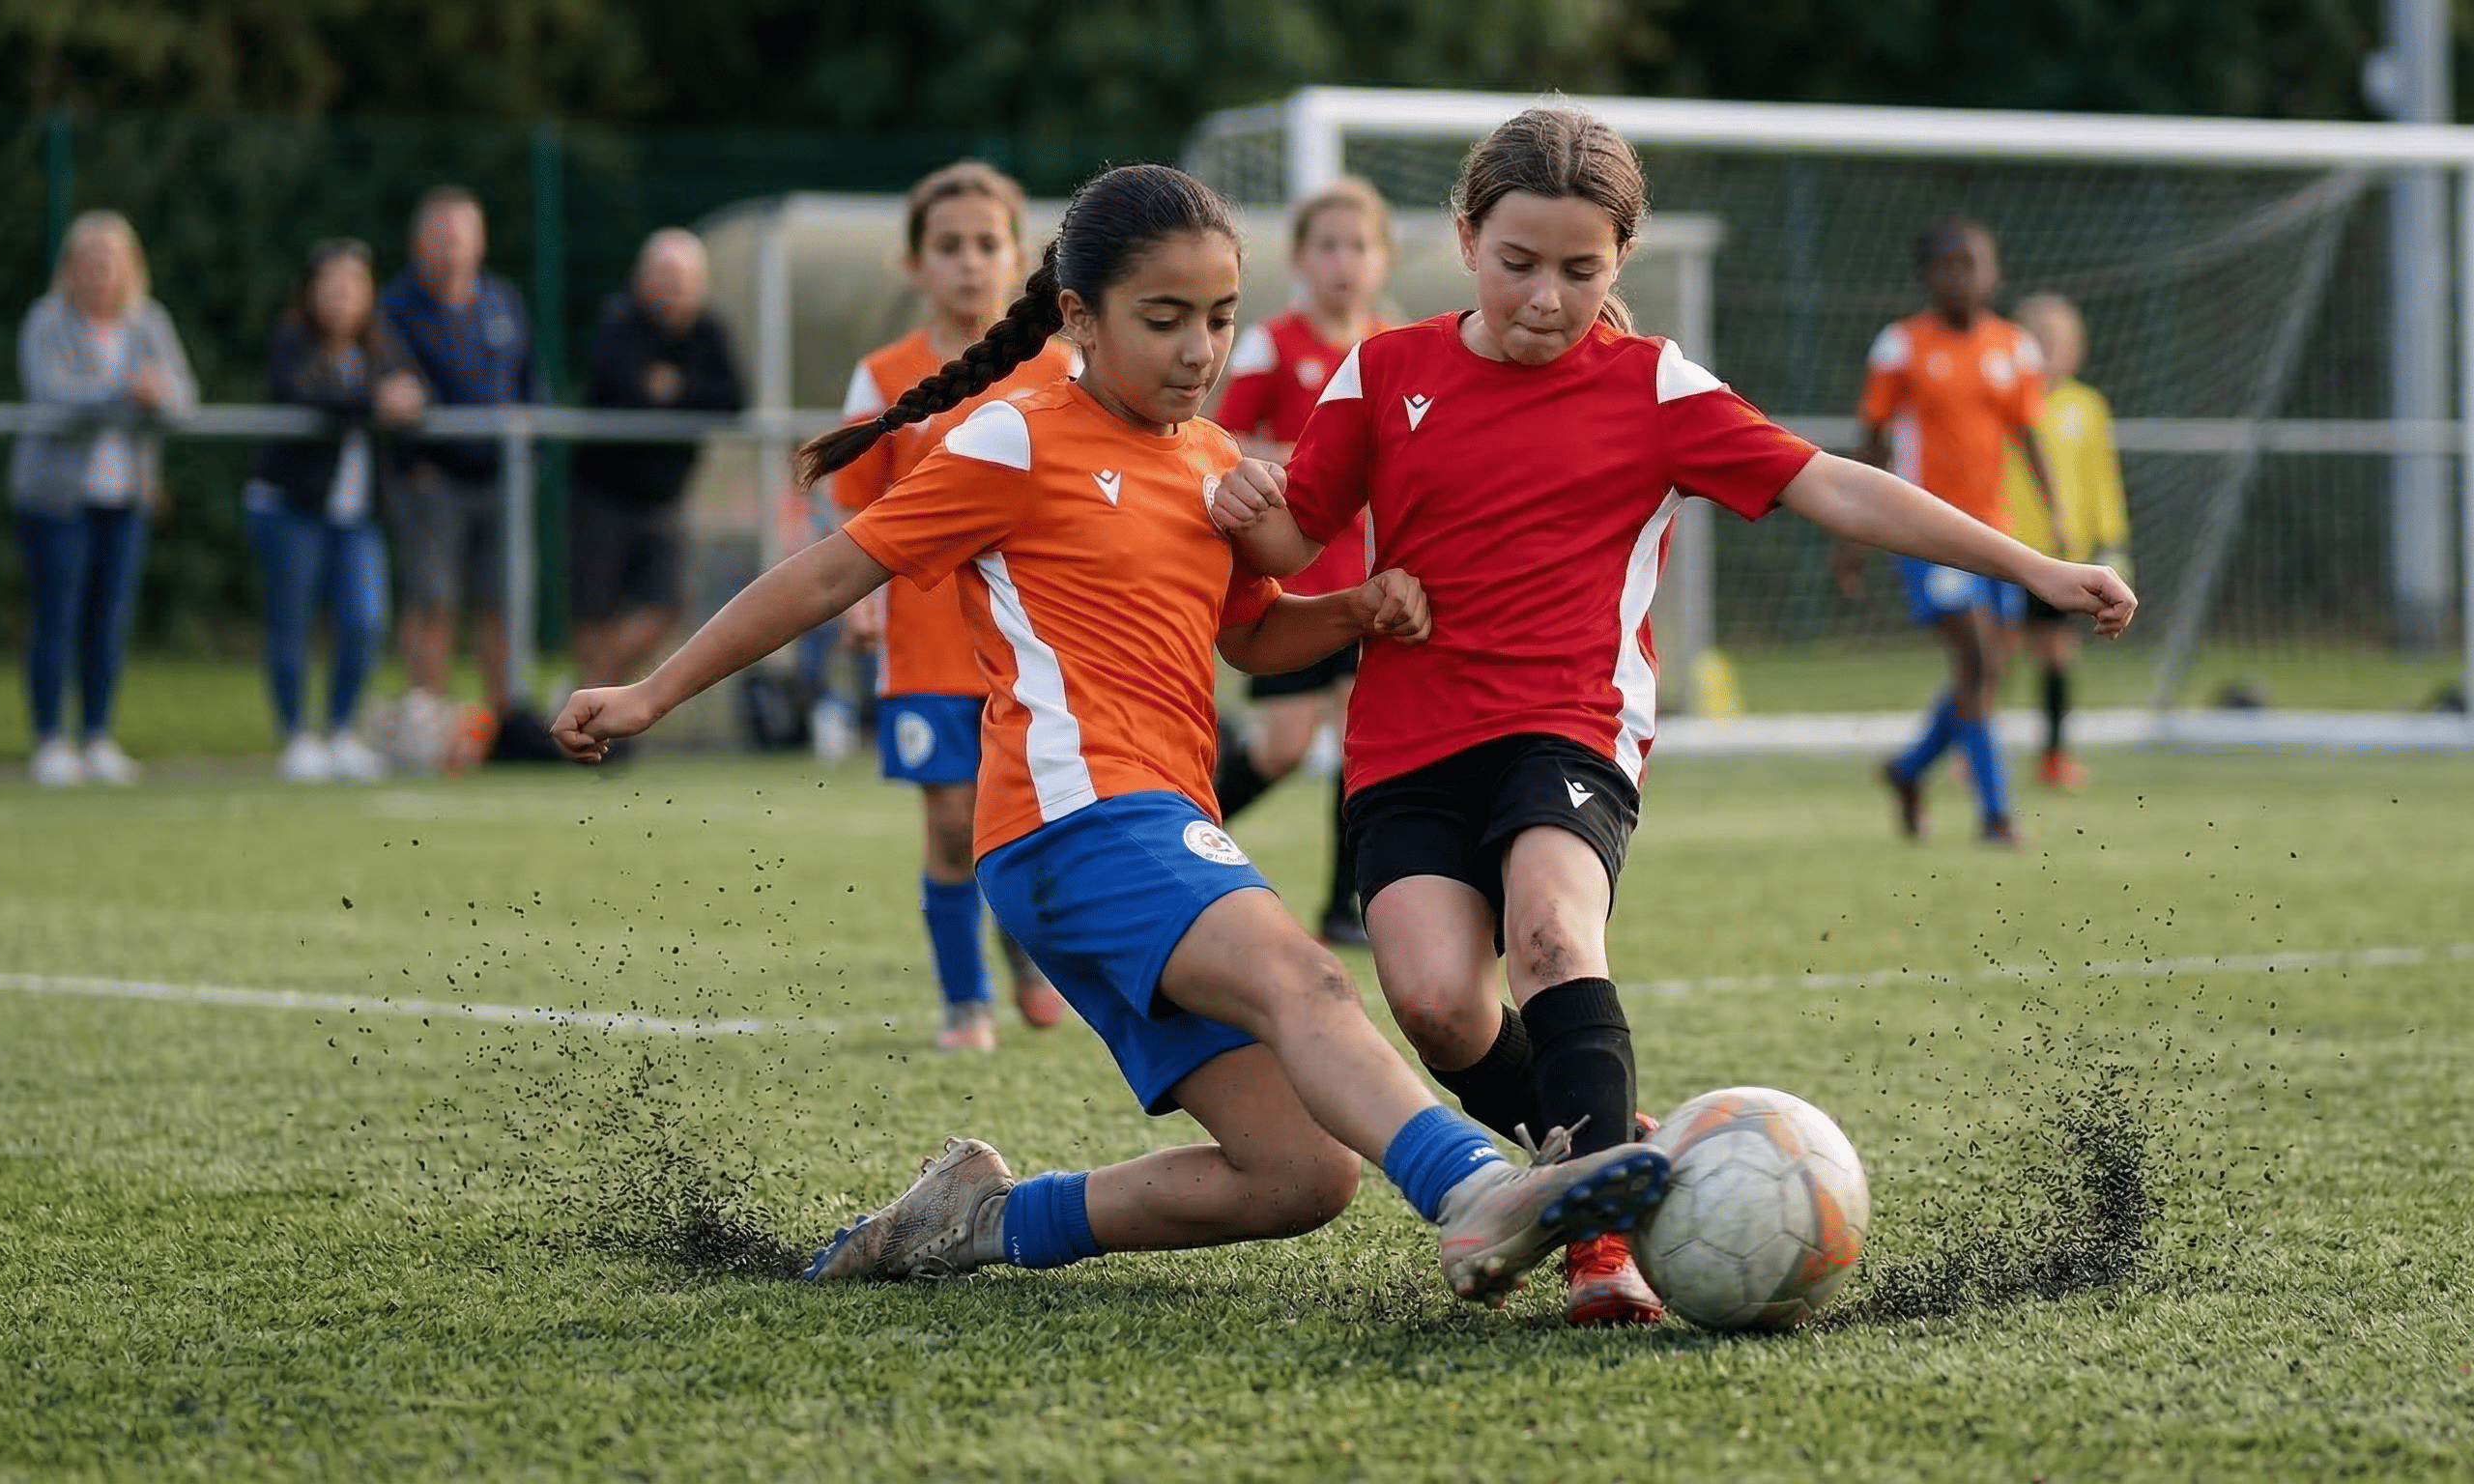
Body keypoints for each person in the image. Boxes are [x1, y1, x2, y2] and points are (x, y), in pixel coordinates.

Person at [551, 162, 1674, 1305]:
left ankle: (977, 1221)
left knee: (1297, 1176)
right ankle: (1481, 1189)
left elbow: (1250, 639)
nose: (1199, 350)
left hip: (1141, 825)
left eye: (1222, 319)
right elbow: (833, 569)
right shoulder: (1012, 438)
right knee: (1308, 983)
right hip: (1074, 817)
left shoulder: (1207, 462)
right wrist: (652, 692)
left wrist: (1351, 610)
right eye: (1165, 319)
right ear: (1080, 319)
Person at [1208, 106, 2135, 1326]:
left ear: (1621, 262)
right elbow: (1288, 536)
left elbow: (1837, 485)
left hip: (1568, 724)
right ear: (1465, 238)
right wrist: (1233, 493)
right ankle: (1618, 1137)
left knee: (1548, 933)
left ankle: (1602, 1249)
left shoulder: (1651, 383)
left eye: (1580, 272)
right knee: (1433, 1001)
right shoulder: (1387, 370)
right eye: (1518, 264)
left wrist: (2032, 567)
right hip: (1408, 741)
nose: (1546, 298)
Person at [830, 162, 1072, 1051]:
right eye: (949, 247)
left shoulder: (1061, 369)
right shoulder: (885, 377)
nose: (969, 263)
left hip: (1033, 645)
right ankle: (966, 1001)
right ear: (914, 263)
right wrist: (861, 600)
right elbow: (855, 502)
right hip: (926, 644)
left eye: (986, 244)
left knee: (1026, 822)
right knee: (946, 822)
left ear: (1016, 258)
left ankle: (1027, 952)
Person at [1833, 216, 2068, 846]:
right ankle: (1997, 816)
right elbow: (1871, 443)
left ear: (1995, 273)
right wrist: (1850, 537)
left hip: (1992, 534)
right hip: (1921, 531)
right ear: (1927, 276)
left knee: (1986, 671)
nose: (1964, 276)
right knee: (1978, 656)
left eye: (1976, 263)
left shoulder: (2013, 348)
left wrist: (2058, 517)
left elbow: (2029, 438)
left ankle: (1908, 770)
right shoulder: (1900, 346)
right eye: (1951, 264)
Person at [1209, 176, 1395, 948]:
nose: (1343, 262)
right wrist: (1304, 464)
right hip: (1288, 581)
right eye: (1328, 246)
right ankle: (1186, 837)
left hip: (1365, 579)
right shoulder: (1272, 343)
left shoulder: (1394, 348)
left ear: (1382, 259)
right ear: (1299, 258)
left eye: (1359, 246)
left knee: (1362, 746)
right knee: (1284, 745)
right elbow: (1217, 440)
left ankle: (1342, 908)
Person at [11, 209, 199, 786]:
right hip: (56, 498)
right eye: (88, 264)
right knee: (57, 617)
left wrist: (158, 394)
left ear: (131, 269)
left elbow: (183, 397)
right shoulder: (47, 321)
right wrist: (126, 389)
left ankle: (96, 736)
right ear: (70, 269)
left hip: (127, 497)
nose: (100, 275)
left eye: (111, 264)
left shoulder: (149, 322)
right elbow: (51, 395)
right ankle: (49, 739)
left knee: (109, 619)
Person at [245, 238, 431, 783]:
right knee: (292, 622)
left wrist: (412, 400)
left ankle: (344, 729)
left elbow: (417, 391)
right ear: (310, 291)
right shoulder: (292, 341)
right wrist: (375, 402)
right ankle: (298, 735)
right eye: (332, 285)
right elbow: (304, 397)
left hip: (356, 515)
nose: (343, 295)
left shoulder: (382, 342)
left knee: (366, 619)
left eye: (355, 285)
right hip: (290, 507)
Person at [381, 185, 538, 714]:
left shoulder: (504, 302)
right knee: (433, 600)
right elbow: (387, 390)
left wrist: (528, 459)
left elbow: (530, 383)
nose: (449, 247)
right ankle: (428, 717)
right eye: (439, 236)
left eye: (460, 236)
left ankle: (501, 723)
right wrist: (412, 466)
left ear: (481, 242)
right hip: (432, 479)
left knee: (501, 601)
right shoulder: (393, 309)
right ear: (417, 243)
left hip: (501, 477)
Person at [570, 228, 745, 692]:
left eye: (683, 278)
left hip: (665, 499)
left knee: (667, 607)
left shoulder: (709, 330)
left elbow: (732, 399)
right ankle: (597, 708)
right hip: (603, 493)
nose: (674, 289)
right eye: (664, 276)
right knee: (594, 608)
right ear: (641, 279)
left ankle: (594, 691)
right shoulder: (620, 322)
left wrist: (677, 389)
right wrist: (685, 395)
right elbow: (625, 390)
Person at [2002, 292, 2131, 791]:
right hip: (2008, 551)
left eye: (2060, 341)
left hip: (2065, 557)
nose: (2050, 350)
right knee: (1997, 655)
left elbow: (2103, 479)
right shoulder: (2007, 400)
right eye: (2040, 340)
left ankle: (2054, 758)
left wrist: (2113, 542)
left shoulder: (2088, 406)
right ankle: (1973, 753)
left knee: (2056, 656)